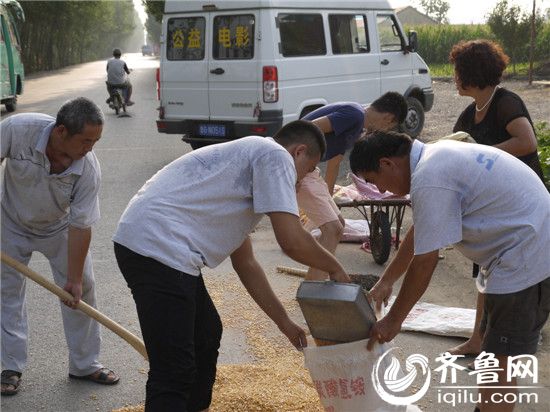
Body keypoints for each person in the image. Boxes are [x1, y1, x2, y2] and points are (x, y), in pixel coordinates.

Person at [113, 120, 350, 411]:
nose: (299, 184)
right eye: (305, 173)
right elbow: (292, 240)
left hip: (158, 246)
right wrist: (335, 268)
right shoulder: (274, 155)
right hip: (157, 247)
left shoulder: (241, 172)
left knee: (207, 334)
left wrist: (283, 322)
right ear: (299, 152)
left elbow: (246, 264)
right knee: (174, 369)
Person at [350, 131, 550, 412]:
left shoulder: (430, 176)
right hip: (519, 244)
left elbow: (425, 261)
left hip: (528, 254)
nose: (381, 191)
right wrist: (387, 280)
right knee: (495, 354)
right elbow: (422, 229)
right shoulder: (434, 159)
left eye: (374, 181)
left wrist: (394, 320)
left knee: (499, 363)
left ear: (386, 163)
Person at [1, 98, 120, 396]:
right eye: (86, 140)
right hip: (10, 221)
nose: (90, 148)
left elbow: (81, 226)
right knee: (6, 291)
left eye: (96, 141)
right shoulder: (18, 130)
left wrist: (75, 279)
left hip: (59, 228)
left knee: (83, 289)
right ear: (61, 131)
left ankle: (84, 363)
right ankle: (9, 365)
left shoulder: (88, 169)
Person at [449, 39, 546, 357]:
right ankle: (478, 339)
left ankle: (508, 337)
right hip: (495, 206)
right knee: (486, 270)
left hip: (522, 206)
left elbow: (527, 141)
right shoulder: (469, 114)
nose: (453, 76)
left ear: (470, 73)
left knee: (516, 275)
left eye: (457, 70)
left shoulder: (506, 102)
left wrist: (480, 154)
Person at [299, 92, 407, 280]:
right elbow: (307, 128)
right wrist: (296, 170)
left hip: (308, 169)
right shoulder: (355, 114)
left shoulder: (357, 129)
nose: (382, 131)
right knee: (331, 229)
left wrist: (328, 196)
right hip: (298, 166)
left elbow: (334, 163)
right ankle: (314, 288)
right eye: (389, 127)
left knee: (338, 225)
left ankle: (316, 281)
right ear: (389, 119)